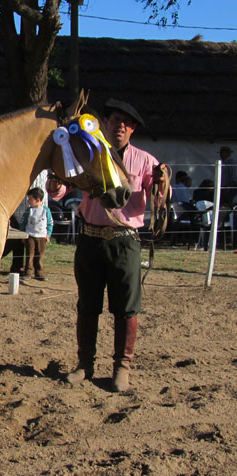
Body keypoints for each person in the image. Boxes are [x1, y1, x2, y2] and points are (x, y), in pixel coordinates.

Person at [48, 98, 167, 392]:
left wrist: (163, 183)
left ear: (132, 130)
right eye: (115, 120)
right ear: (106, 123)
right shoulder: (91, 152)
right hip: (90, 239)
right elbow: (64, 187)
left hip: (125, 242)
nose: (120, 126)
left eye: (126, 123)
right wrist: (55, 183)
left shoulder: (146, 161)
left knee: (126, 309)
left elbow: (159, 198)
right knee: (87, 305)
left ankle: (121, 368)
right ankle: (84, 365)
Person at [20, 187, 53, 280]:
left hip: (42, 237)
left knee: (40, 255)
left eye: (30, 199)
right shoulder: (28, 210)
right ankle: (28, 272)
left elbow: (50, 223)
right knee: (29, 254)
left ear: (37, 200)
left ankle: (39, 272)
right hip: (30, 235)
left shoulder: (46, 210)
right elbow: (23, 222)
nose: (28, 201)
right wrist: (23, 234)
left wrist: (48, 234)